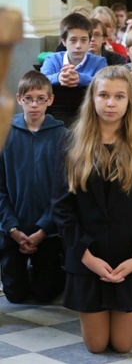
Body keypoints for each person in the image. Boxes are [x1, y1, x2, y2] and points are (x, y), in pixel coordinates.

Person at [51, 66, 132, 353]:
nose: (111, 103)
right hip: (88, 256)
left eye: (119, 96)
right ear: (92, 99)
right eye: (103, 95)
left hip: (131, 257)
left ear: (130, 102)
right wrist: (87, 257)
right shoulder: (71, 141)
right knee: (97, 346)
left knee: (124, 345)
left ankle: (127, 315)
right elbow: (62, 208)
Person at [0, 71, 67, 304]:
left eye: (40, 98)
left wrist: (41, 231)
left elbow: (65, 190)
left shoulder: (62, 136)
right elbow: (0, 190)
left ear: (50, 100)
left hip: (48, 229)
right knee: (15, 296)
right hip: (12, 227)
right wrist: (11, 228)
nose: (34, 105)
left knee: (44, 295)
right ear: (19, 99)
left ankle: (46, 273)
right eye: (28, 98)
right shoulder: (5, 133)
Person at [42, 13, 108, 87]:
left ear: (89, 41)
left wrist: (80, 78)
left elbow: (104, 83)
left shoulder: (99, 62)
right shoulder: (52, 59)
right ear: (64, 41)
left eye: (84, 40)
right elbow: (41, 81)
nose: (78, 46)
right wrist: (58, 77)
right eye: (73, 40)